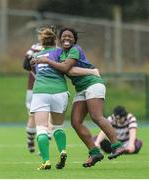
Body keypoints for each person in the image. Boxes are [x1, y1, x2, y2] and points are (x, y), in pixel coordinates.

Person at [36, 27, 125, 168]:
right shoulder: (59, 54)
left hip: (93, 84)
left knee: (96, 116)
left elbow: (66, 69)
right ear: (59, 40)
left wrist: (46, 61)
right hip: (81, 89)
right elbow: (61, 66)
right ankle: (94, 151)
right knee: (75, 122)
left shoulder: (75, 50)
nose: (67, 38)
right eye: (64, 36)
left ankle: (117, 145)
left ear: (74, 40)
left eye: (70, 36)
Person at [30, 26, 100, 170]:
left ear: (41, 42)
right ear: (56, 40)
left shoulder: (37, 57)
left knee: (42, 128)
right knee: (58, 126)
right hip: (59, 92)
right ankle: (62, 150)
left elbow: (33, 70)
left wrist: (33, 63)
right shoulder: (61, 52)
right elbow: (67, 67)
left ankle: (46, 161)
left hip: (41, 92)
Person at [23, 43, 42, 153]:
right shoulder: (56, 50)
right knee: (48, 116)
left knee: (32, 115)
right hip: (49, 87)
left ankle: (30, 140)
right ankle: (44, 145)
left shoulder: (34, 48)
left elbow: (25, 65)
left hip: (32, 87)